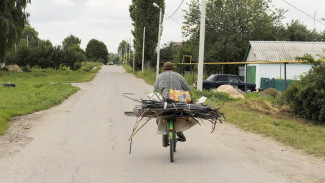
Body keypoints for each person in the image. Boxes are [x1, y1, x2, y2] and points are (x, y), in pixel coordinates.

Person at [153, 61, 191, 147]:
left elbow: (155, 91)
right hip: (177, 102)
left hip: (164, 103)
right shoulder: (179, 76)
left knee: (159, 115)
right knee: (181, 115)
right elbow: (188, 89)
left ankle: (165, 134)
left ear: (163, 70)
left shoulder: (160, 76)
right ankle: (179, 131)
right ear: (173, 69)